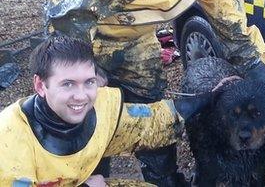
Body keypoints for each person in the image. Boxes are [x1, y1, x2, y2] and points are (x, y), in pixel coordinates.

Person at [43, 0, 265, 185]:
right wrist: (89, 72)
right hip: (77, 16)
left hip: (132, 29)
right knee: (83, 106)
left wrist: (262, 80)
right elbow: (74, 17)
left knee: (152, 105)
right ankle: (89, 174)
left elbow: (236, 35)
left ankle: (164, 178)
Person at [0, 36, 223, 186]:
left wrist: (209, 97)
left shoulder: (101, 107)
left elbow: (149, 122)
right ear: (40, 85)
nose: (81, 96)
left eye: (88, 82)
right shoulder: (9, 139)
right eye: (67, 84)